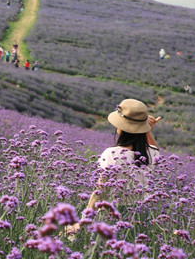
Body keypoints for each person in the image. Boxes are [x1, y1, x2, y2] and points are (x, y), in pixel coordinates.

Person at [65, 99, 161, 236]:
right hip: (141, 215)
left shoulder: (112, 154)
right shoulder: (152, 153)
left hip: (113, 214)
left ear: (121, 127)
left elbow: (100, 190)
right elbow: (155, 147)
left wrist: (83, 221)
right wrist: (147, 131)